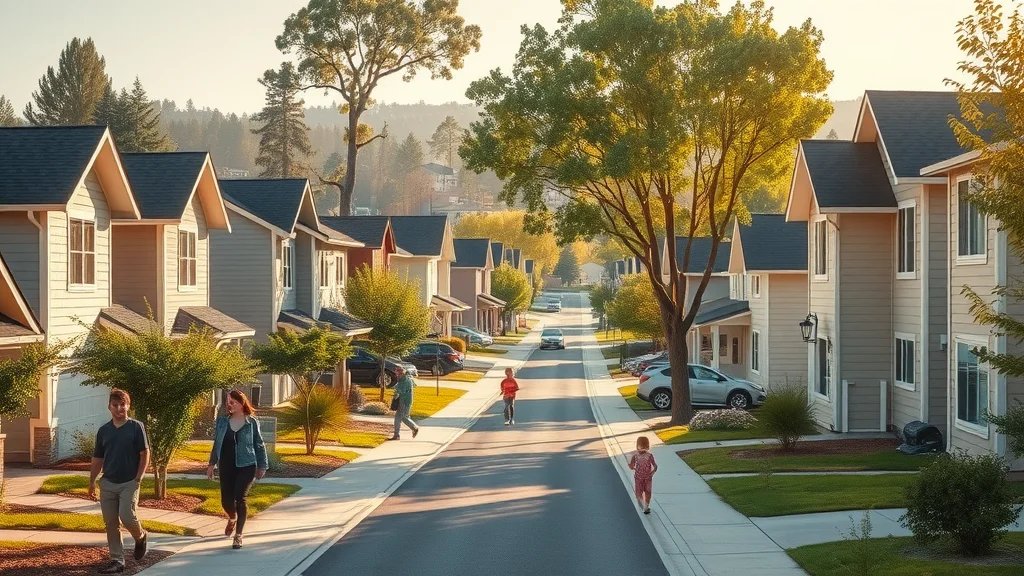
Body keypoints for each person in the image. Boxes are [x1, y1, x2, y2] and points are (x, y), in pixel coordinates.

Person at [89, 389, 149, 574]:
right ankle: (117, 560)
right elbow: (98, 458)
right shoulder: (104, 431)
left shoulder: (136, 427)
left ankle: (140, 537)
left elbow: (144, 453)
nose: (119, 408)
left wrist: (138, 478)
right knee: (111, 523)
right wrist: (92, 481)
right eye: (115, 405)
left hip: (129, 482)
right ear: (109, 407)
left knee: (127, 516)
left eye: (123, 405)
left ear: (128, 406)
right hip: (107, 483)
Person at [207, 389, 269, 550]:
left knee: (240, 498)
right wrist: (211, 464)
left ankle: (238, 536)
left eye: (232, 402)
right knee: (226, 501)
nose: (229, 405)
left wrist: (262, 465)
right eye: (227, 402)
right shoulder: (222, 422)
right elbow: (216, 444)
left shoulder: (252, 422)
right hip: (226, 465)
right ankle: (232, 518)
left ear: (241, 404)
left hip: (247, 465)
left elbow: (259, 444)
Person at [628, 436, 658, 515]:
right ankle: (645, 506)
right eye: (641, 446)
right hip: (640, 478)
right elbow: (631, 466)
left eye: (644, 446)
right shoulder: (636, 456)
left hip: (645, 478)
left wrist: (652, 472)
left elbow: (655, 466)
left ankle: (645, 506)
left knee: (645, 492)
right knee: (642, 493)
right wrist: (631, 465)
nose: (642, 448)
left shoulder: (648, 456)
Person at [388, 366, 419, 440]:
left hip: (405, 401)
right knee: (398, 418)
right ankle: (396, 435)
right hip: (403, 400)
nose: (396, 375)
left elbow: (402, 389)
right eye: (396, 373)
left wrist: (396, 392)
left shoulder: (405, 380)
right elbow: (400, 386)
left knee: (404, 417)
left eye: (397, 373)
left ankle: (414, 428)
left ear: (401, 373)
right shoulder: (405, 379)